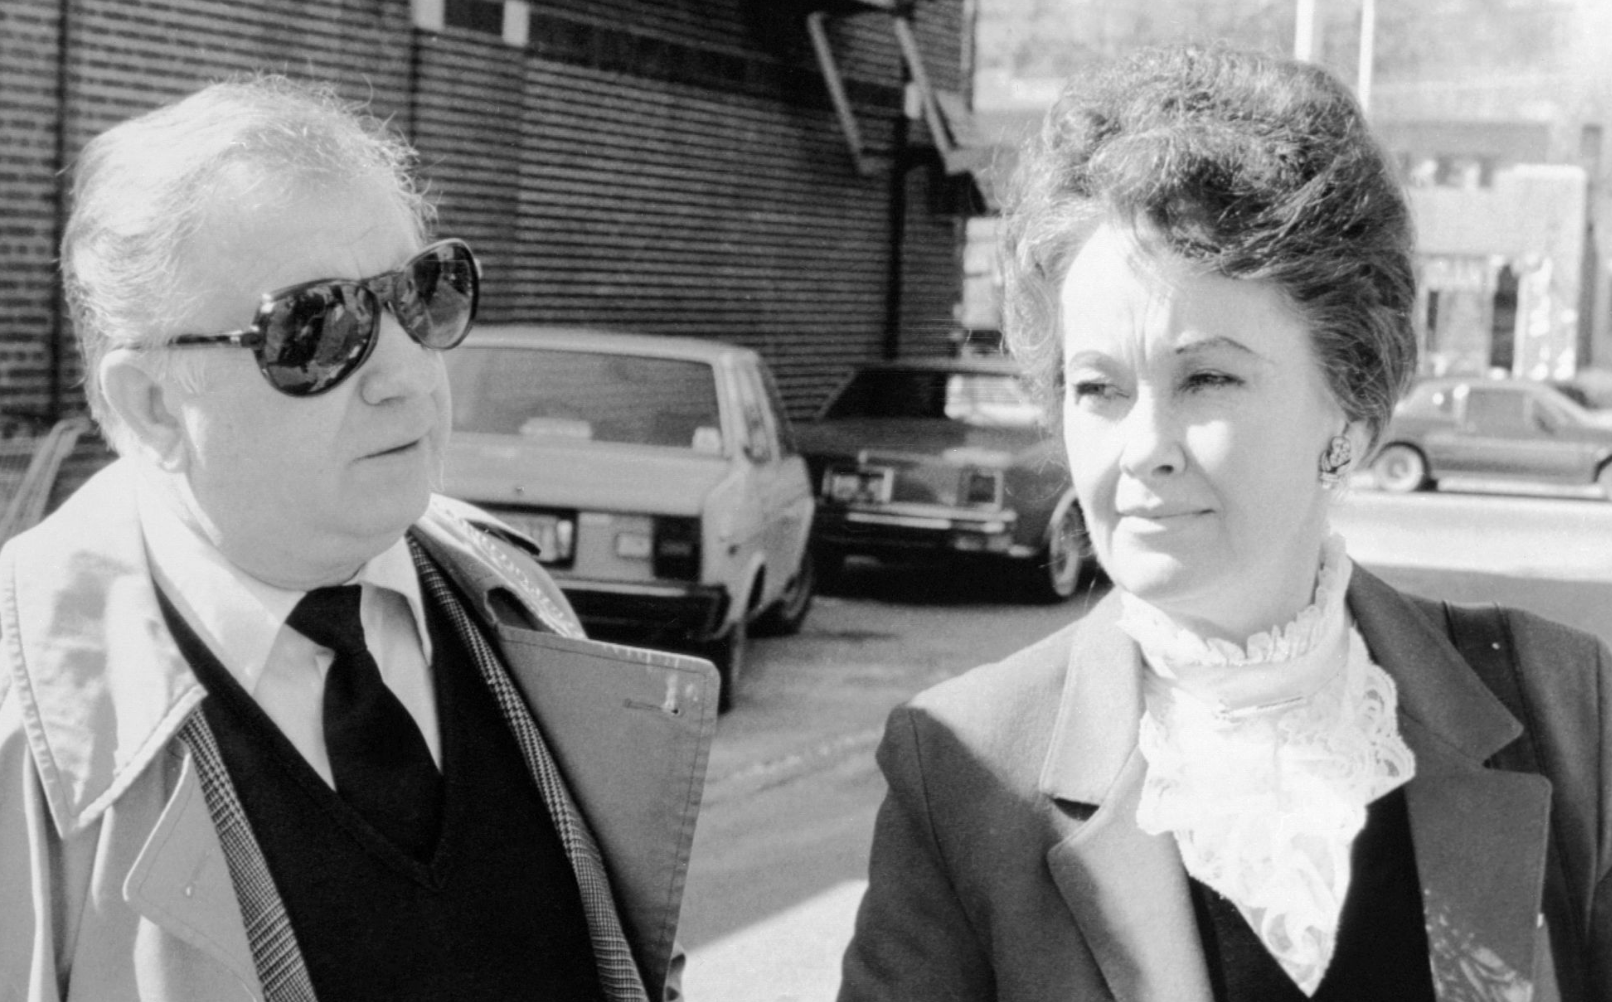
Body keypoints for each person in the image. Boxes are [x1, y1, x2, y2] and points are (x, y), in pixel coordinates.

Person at [839, 44, 1611, 1002]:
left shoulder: (1563, 705)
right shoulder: (963, 764)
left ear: (1350, 406)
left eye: (1206, 378)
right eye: (1097, 388)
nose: (1142, 448)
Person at [0, 76, 717, 1002]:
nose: (408, 374)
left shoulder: (510, 592)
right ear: (152, 405)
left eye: (423, 293)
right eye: (317, 328)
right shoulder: (24, 728)